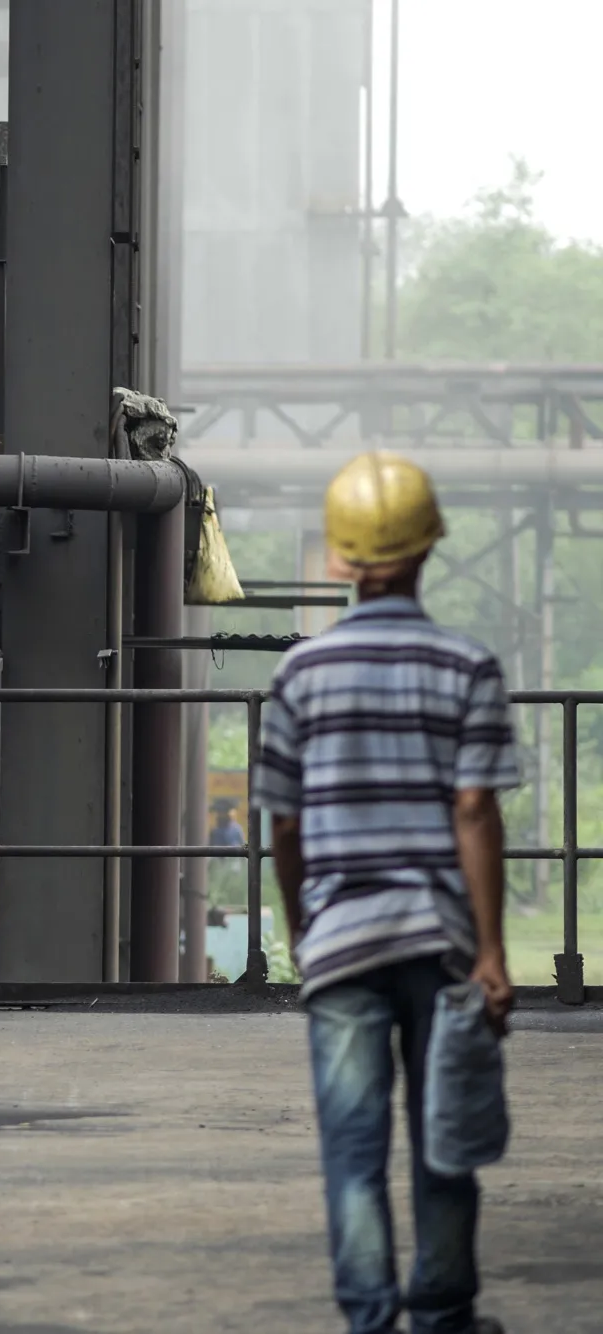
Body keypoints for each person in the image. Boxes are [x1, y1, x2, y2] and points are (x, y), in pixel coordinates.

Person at [253, 451, 516, 1334]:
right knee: (445, 1141)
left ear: (338, 559)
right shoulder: (468, 667)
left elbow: (284, 827)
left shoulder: (298, 677)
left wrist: (304, 930)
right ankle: (442, 1315)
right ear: (429, 546)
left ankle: (369, 1319)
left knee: (353, 1150)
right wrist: (490, 953)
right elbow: (474, 811)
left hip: (341, 944)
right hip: (439, 943)